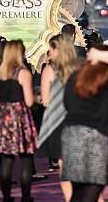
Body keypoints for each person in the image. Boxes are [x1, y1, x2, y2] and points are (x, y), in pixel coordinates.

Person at [60, 47, 108, 202]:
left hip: (74, 136)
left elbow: (67, 104)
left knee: (77, 191)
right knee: (92, 191)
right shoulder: (103, 79)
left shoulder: (74, 78)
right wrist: (99, 55)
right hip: (99, 137)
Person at [0, 40, 37, 202]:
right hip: (20, 116)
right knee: (26, 160)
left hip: (2, 116)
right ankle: (26, 197)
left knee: (6, 160)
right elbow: (29, 101)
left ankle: (6, 197)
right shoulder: (23, 73)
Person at [38, 35, 80, 202]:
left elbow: (46, 101)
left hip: (58, 121)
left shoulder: (50, 70)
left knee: (64, 167)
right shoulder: (79, 69)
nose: (50, 52)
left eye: (52, 48)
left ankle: (70, 198)